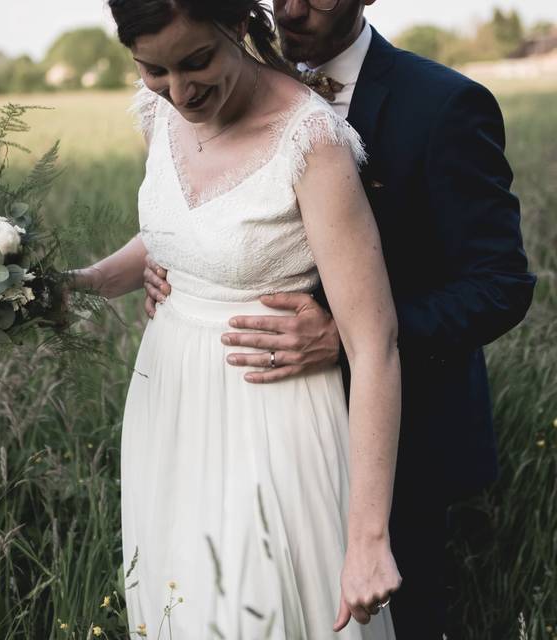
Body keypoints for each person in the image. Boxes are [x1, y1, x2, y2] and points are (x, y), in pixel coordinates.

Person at [139, 0, 537, 637]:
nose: (293, 7)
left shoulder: (443, 104)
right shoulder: (220, 78)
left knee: (393, 618)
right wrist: (177, 266)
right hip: (257, 422)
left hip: (405, 429)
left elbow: (502, 286)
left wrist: (345, 337)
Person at [68, 1, 403, 637]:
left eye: (197, 62)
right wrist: (74, 288)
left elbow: (374, 344)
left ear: (240, 27)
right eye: (154, 70)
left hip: (271, 421)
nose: (180, 91)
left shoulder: (311, 141)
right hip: (167, 408)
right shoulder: (158, 115)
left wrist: (368, 538)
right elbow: (181, 236)